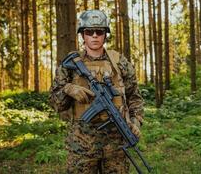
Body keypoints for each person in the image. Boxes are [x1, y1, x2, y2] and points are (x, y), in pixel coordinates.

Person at [49, 9, 144, 174]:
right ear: (82, 35)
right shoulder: (70, 64)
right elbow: (56, 104)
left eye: (99, 31)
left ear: (105, 35)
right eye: (89, 31)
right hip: (82, 144)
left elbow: (134, 97)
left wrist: (135, 122)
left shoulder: (119, 62)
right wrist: (67, 89)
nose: (94, 35)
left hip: (116, 143)